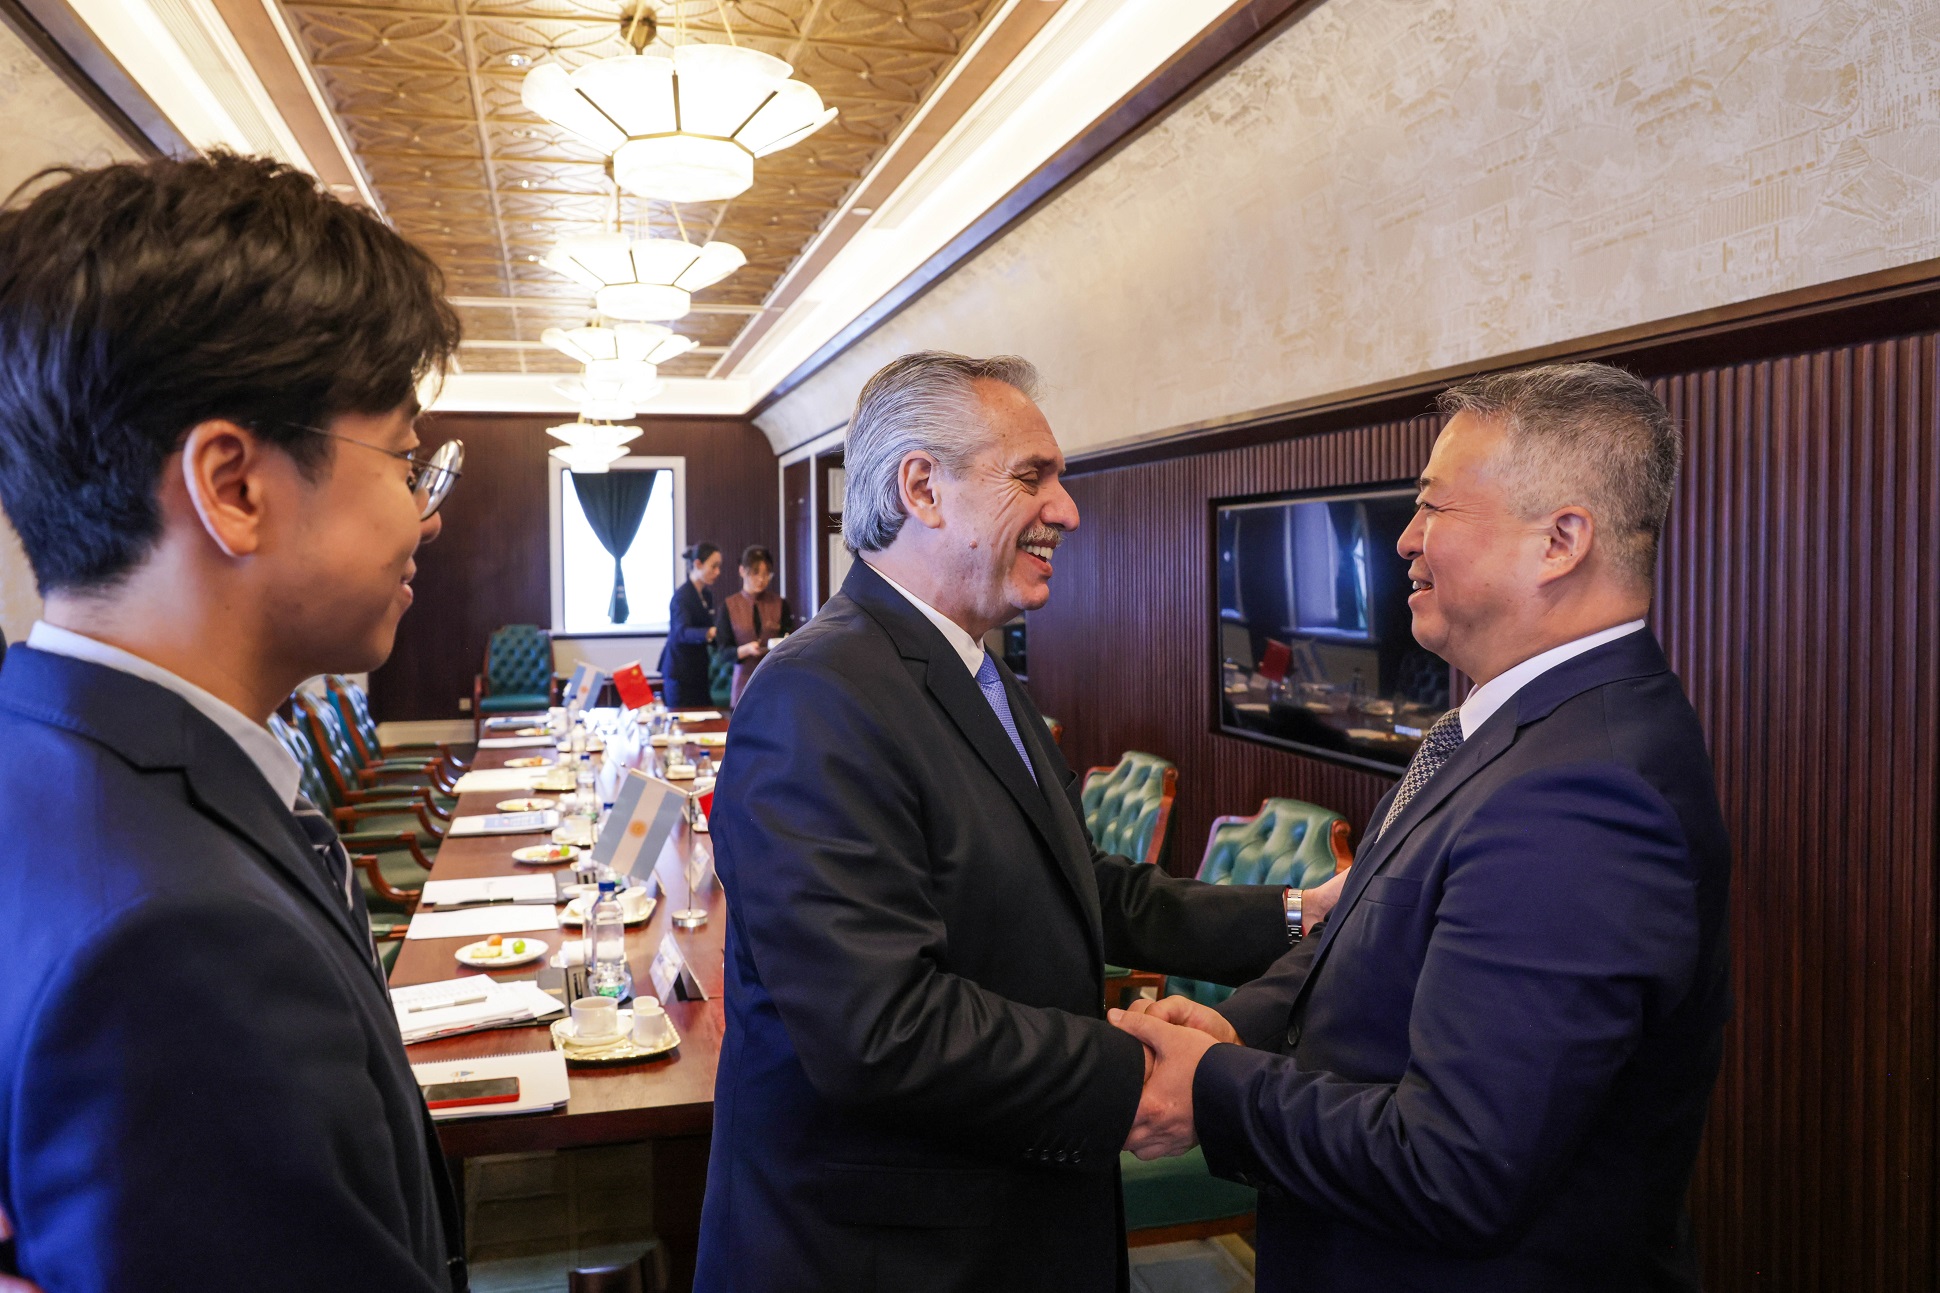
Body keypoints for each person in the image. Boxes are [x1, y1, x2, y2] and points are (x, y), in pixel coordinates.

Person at [694, 352, 1347, 1293]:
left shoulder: (983, 672)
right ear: (923, 487)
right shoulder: (816, 693)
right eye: (1033, 476)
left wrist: (1295, 913)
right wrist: (1145, 1070)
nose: (1067, 510)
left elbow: (1085, 881)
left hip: (1005, 1216)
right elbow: (881, 1026)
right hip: (887, 1253)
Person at [1113, 363, 1732, 1292]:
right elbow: (1368, 951)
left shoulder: (1586, 791)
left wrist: (1212, 1084)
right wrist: (1233, 1026)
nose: (1405, 538)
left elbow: (1458, 1167)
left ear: (1560, 540)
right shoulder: (1500, 729)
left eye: (1434, 507)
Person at [0, 153, 466, 1291]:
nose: (428, 517)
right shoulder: (178, 941)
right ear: (235, 486)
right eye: (409, 461)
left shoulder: (44, 758)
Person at [713, 544, 794, 708]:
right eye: (755, 573)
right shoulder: (729, 606)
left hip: (774, 679)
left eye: (766, 574)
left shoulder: (780, 604)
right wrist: (746, 649)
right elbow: (723, 652)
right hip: (743, 682)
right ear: (742, 571)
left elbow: (790, 639)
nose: (761, 579)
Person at [658, 541, 720, 706]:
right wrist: (709, 633)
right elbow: (681, 632)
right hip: (680, 672)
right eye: (713, 566)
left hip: (698, 671)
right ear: (698, 564)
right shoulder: (682, 597)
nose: (717, 572)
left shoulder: (706, 595)